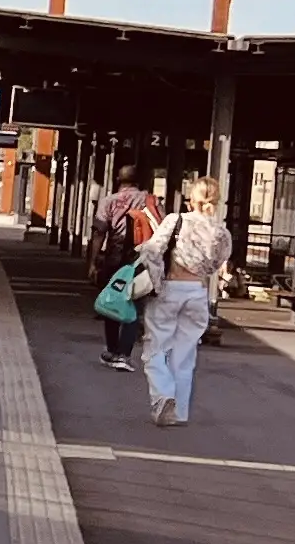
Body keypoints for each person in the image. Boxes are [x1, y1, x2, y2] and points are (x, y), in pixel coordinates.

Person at [143, 178, 232, 426]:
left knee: (155, 348)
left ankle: (162, 396)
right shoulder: (221, 233)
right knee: (185, 355)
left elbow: (152, 251)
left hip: (171, 287)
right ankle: (179, 411)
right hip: (198, 292)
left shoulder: (175, 220)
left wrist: (156, 282)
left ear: (191, 199)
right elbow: (217, 266)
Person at [97, 182, 161, 368]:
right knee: (134, 305)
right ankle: (124, 354)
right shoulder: (151, 201)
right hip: (141, 260)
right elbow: (162, 230)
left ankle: (112, 350)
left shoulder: (109, 201)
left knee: (112, 300)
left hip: (114, 259)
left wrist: (93, 260)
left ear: (119, 180)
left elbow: (99, 231)